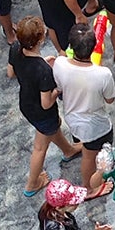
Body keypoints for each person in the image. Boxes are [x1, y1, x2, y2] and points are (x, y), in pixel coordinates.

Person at [11, 18, 82, 196]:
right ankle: (32, 184)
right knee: (40, 148)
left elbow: (10, 72)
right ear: (41, 39)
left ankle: (68, 150)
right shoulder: (44, 71)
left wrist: (41, 62)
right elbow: (47, 102)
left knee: (53, 128)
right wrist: (58, 89)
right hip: (41, 111)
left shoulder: (15, 49)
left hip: (26, 102)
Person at [53, 24, 115, 193]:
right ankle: (88, 188)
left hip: (72, 117)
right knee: (89, 155)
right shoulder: (103, 74)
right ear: (95, 46)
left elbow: (58, 86)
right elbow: (110, 99)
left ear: (71, 46)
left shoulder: (59, 64)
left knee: (84, 144)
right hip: (94, 125)